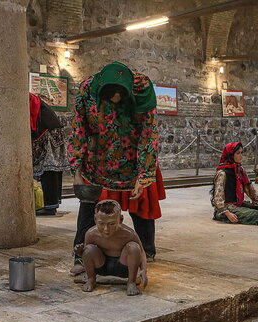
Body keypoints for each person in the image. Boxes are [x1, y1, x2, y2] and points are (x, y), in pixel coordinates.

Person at [68, 61, 165, 274]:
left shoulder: (142, 90)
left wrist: (144, 174)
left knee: (141, 204)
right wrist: (76, 169)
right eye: (111, 97)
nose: (116, 101)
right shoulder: (87, 89)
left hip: (132, 158)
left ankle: (146, 249)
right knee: (88, 206)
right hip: (97, 159)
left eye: (121, 97)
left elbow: (149, 135)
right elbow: (79, 129)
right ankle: (81, 253)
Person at [75, 200, 148, 296]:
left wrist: (143, 269)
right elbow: (87, 256)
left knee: (134, 247)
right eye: (101, 223)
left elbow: (141, 253)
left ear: (120, 220)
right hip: (101, 267)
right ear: (95, 219)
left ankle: (131, 282)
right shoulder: (91, 234)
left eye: (111, 224)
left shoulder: (129, 234)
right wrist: (81, 252)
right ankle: (91, 279)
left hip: (123, 267)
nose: (106, 229)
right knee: (88, 249)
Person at [211, 142, 258, 225]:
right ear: (230, 155)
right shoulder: (222, 173)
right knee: (255, 215)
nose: (241, 156)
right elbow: (218, 198)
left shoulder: (240, 170)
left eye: (241, 153)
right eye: (238, 153)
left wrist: (257, 205)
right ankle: (224, 217)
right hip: (225, 209)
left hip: (238, 205)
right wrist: (227, 213)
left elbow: (249, 188)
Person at [30, 93, 66, 216]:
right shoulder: (30, 98)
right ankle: (53, 204)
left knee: (48, 169)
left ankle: (50, 206)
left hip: (47, 134)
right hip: (54, 131)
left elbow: (30, 121)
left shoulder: (26, 99)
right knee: (53, 169)